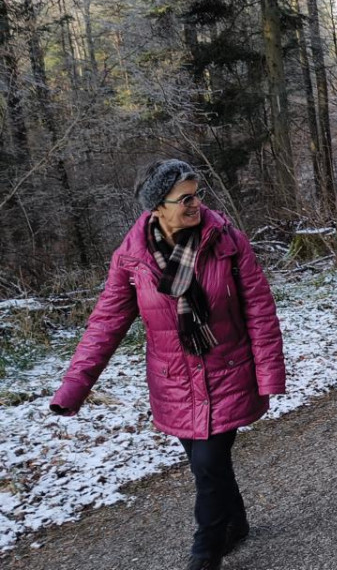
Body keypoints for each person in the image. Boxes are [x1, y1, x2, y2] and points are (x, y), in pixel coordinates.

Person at [50, 160, 287, 570]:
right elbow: (105, 324)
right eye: (186, 198)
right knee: (207, 467)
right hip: (173, 384)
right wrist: (75, 386)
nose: (197, 204)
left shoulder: (227, 241)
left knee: (208, 464)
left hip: (228, 372)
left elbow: (260, 310)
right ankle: (236, 523)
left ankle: (205, 551)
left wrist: (269, 374)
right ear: (157, 206)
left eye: (198, 194)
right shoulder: (132, 258)